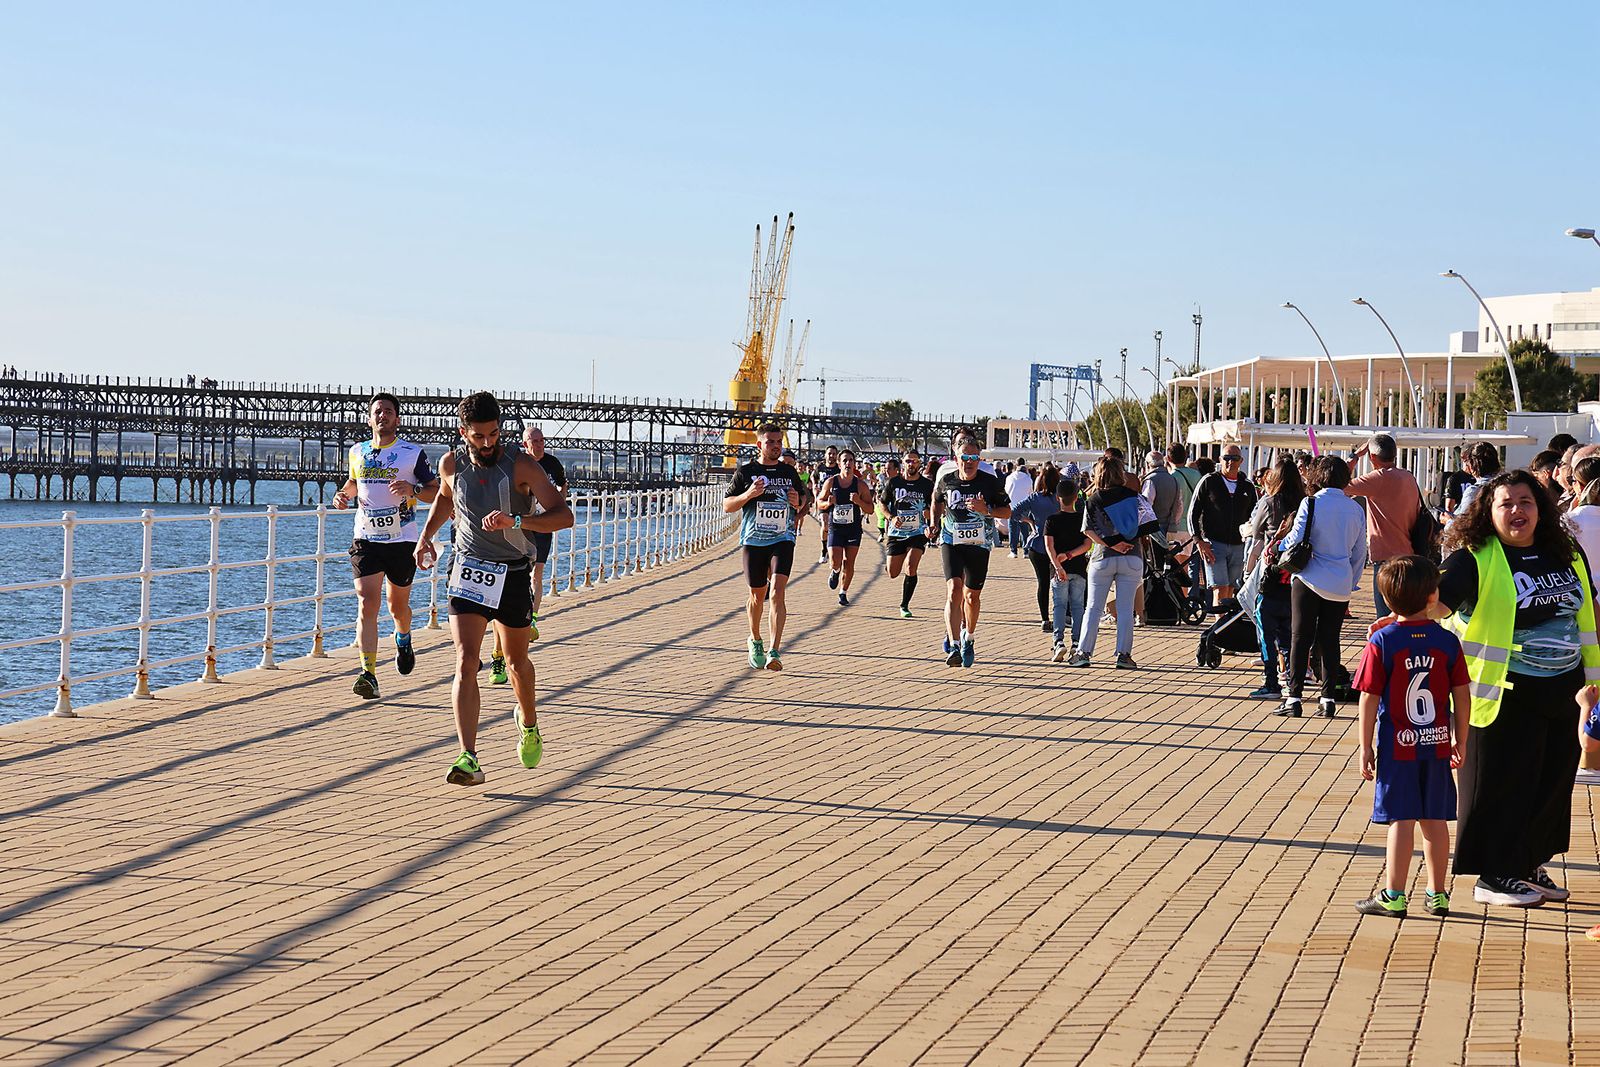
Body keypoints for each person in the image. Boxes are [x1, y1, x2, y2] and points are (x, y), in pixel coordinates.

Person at [1373, 469, 1600, 907]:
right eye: (1506, 503)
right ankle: (1493, 876)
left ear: (1541, 508)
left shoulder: (1566, 552)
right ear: (1488, 512)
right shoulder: (1475, 556)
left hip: (1567, 688)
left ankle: (1528, 863)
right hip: (1504, 689)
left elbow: (1588, 607)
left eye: (1526, 502)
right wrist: (1404, 618)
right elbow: (1438, 599)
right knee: (1501, 784)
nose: (1517, 510)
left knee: (1550, 784)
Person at [416, 392, 572, 787]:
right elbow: (446, 500)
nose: (487, 443)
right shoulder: (450, 464)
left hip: (513, 571)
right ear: (462, 432)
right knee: (466, 661)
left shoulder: (521, 466)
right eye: (479, 436)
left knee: (518, 663)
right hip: (468, 569)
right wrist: (425, 536)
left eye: (493, 435)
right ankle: (468, 756)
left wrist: (517, 520)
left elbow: (563, 515)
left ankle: (529, 722)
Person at [1352, 556, 1470, 918]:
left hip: (1397, 746)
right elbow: (1462, 695)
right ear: (1433, 596)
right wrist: (1459, 739)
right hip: (1435, 744)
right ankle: (1438, 894)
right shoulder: (1447, 641)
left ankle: (1395, 894)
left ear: (1387, 601)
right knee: (1434, 820)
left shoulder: (1383, 641)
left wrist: (1365, 745)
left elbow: (1368, 697)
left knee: (1400, 819)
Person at [331, 392, 440, 700]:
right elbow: (353, 482)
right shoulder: (357, 452)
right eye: (377, 411)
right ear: (369, 418)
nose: (382, 416)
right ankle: (368, 673)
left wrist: (413, 489)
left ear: (397, 419)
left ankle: (403, 638)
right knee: (367, 602)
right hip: (366, 537)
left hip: (402, 539)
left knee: (397, 606)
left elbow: (435, 492)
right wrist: (343, 495)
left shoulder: (411, 453)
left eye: (388, 412)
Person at [1275, 456, 1367, 719]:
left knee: (1300, 637)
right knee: (1330, 639)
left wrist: (1278, 546)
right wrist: (1350, 582)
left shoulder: (1311, 503)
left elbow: (1295, 537)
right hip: (1340, 581)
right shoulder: (1355, 509)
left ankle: (1294, 697)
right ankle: (1327, 698)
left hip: (1308, 577)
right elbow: (1360, 552)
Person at [488, 424, 567, 685]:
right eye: (533, 441)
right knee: (502, 593)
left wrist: (553, 503)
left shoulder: (552, 464)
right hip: (516, 530)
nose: (538, 444)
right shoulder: (516, 464)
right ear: (524, 444)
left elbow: (562, 497)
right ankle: (498, 656)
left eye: (541, 440)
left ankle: (532, 618)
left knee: (536, 574)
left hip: (540, 526)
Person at [725, 424, 808, 670]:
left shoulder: (789, 471)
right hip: (754, 540)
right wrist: (748, 494)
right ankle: (755, 639)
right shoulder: (746, 472)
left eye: (779, 441)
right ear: (759, 444)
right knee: (756, 596)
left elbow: (802, 501)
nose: (776, 446)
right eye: (771, 441)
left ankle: (775, 650)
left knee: (778, 592)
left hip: (783, 538)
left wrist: (797, 501)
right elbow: (727, 505)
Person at [1069, 454, 1158, 669]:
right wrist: (1127, 539)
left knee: (1093, 608)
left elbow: (1087, 530)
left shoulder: (1094, 499)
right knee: (1126, 609)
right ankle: (1124, 655)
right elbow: (1151, 523)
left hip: (1103, 558)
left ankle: (1083, 653)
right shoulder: (1135, 496)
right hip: (1132, 556)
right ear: (1121, 474)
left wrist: (1110, 544)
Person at [931, 433, 1011, 667]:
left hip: (979, 544)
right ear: (956, 458)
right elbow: (936, 500)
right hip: (951, 541)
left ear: (979, 459)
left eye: (974, 457)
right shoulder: (947, 479)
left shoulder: (989, 482)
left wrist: (985, 509)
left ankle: (969, 638)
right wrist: (934, 523)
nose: (969, 461)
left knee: (971, 596)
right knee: (954, 589)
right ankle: (954, 645)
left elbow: (1007, 512)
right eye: (965, 456)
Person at [1244, 455, 1305, 700]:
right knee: (1291, 633)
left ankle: (1271, 681)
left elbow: (1256, 530)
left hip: (1272, 574)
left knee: (1266, 630)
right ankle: (1292, 678)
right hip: (1297, 576)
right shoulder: (1306, 503)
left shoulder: (1269, 502)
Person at [1346, 433, 1421, 614]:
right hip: (1409, 555)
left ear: (1372, 457)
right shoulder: (1408, 477)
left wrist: (1355, 457)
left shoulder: (1376, 479)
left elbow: (1339, 485)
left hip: (1386, 559)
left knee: (1384, 617)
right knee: (1405, 614)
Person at [1190, 446, 1258, 609]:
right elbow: (1193, 512)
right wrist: (1198, 540)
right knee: (1219, 589)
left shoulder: (1247, 486)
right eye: (1226, 458)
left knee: (1230, 590)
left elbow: (1255, 516)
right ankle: (1219, 626)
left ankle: (1224, 628)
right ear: (1219, 460)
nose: (1230, 462)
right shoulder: (1209, 481)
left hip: (1238, 545)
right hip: (1214, 545)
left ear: (1241, 461)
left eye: (1234, 458)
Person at [815, 449, 874, 607]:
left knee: (849, 563)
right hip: (836, 527)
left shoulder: (860, 485)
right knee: (836, 561)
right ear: (839, 464)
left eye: (851, 461)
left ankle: (843, 592)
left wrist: (859, 502)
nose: (848, 463)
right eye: (845, 460)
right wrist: (828, 503)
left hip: (853, 529)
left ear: (854, 465)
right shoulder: (831, 482)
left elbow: (871, 509)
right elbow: (818, 502)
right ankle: (835, 571)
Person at [881, 449, 934, 618]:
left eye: (914, 461)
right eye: (908, 461)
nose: (911, 464)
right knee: (893, 573)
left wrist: (928, 514)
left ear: (919, 464)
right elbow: (882, 503)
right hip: (896, 532)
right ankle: (893, 561)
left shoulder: (926, 485)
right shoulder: (893, 483)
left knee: (911, 566)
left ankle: (904, 605)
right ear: (903, 463)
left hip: (918, 532)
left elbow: (933, 507)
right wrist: (891, 516)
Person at [1010, 466, 1062, 632]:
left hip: (1037, 543)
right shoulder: (1061, 499)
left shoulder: (1034, 498)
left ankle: (1045, 619)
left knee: (1043, 583)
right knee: (1061, 582)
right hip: (1059, 545)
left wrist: (1029, 521)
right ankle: (1063, 616)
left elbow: (1014, 511)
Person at [1044, 477, 1090, 662]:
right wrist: (1071, 554)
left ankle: (1058, 641)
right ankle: (1077, 642)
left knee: (1059, 606)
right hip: (1078, 568)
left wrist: (1058, 564)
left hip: (1058, 570)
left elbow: (1049, 545)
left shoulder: (1052, 520)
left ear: (1057, 498)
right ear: (1076, 498)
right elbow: (1087, 543)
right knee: (1078, 606)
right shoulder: (1082, 518)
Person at [1451, 441, 1501, 521]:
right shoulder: (1506, 484)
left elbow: (1462, 525)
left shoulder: (1474, 491)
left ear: (1472, 465)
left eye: (1467, 461)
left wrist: (1448, 521)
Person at [1568, 455, 1600, 564]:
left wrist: (1569, 513)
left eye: (1572, 480)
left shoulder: (1572, 520)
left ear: (1581, 487)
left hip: (1585, 579)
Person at [814, 446, 841, 564]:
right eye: (829, 453)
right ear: (825, 455)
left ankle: (834, 548)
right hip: (823, 500)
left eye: (834, 454)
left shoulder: (839, 469)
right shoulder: (820, 467)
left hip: (836, 500)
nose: (832, 456)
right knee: (825, 524)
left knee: (835, 527)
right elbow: (813, 476)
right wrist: (815, 485)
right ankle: (824, 550)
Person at [1004, 462, 1034, 558]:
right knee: (1025, 530)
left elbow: (1006, 490)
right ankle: (1026, 551)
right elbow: (1031, 493)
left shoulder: (1009, 478)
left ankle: (1013, 551)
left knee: (1013, 529)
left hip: (1012, 506)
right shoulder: (1028, 479)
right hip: (1024, 506)